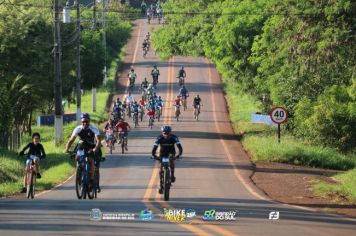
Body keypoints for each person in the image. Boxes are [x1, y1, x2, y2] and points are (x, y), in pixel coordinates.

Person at [65, 113, 102, 190]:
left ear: (89, 121)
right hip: (82, 145)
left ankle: (91, 180)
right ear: (81, 122)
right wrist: (67, 149)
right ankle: (79, 170)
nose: (85, 123)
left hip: (91, 145)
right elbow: (71, 140)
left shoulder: (93, 128)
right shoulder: (78, 129)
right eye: (83, 122)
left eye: (86, 121)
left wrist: (95, 149)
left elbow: (98, 140)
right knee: (77, 156)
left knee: (91, 161)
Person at [151, 125, 183, 194]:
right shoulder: (159, 138)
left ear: (170, 132)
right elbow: (154, 148)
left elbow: (180, 147)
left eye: (168, 133)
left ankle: (172, 175)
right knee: (161, 170)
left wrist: (179, 155)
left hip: (171, 152)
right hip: (162, 153)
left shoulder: (174, 137)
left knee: (171, 160)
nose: (166, 135)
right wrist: (154, 155)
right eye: (164, 133)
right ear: (162, 133)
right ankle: (161, 186)